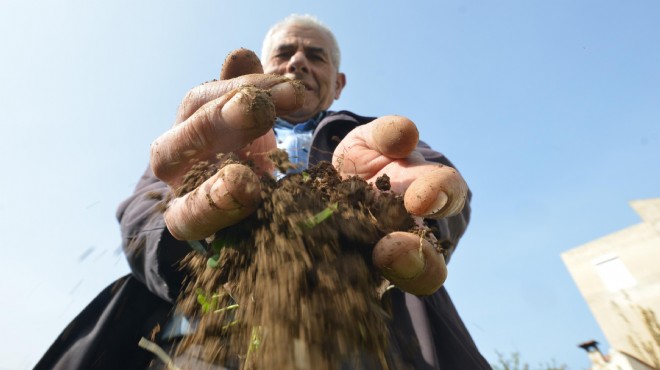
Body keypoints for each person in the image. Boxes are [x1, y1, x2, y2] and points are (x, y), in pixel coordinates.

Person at [34, 14, 490, 370]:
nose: (297, 62)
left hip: (364, 337)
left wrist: (410, 214)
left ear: (338, 82)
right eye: (285, 52)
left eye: (316, 55)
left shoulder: (369, 138)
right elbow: (144, 211)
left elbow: (439, 190)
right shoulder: (214, 130)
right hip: (198, 337)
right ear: (266, 67)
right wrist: (187, 229)